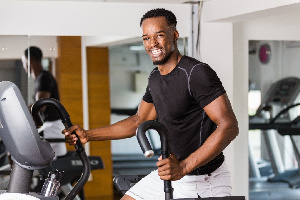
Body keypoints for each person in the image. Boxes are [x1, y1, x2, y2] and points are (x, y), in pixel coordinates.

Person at [64, 8, 239, 199]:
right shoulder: (155, 77)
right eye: (146, 38)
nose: (152, 44)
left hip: (204, 180)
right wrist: (88, 135)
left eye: (159, 35)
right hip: (171, 174)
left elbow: (229, 126)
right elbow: (138, 121)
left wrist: (183, 167)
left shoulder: (196, 73)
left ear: (174, 35)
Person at [22, 46, 67, 159]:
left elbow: (41, 106)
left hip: (52, 127)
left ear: (29, 61)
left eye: (23, 62)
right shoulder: (41, 78)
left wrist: (21, 111)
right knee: (55, 165)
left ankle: (19, 177)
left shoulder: (43, 78)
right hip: (55, 126)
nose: (23, 66)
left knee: (24, 153)